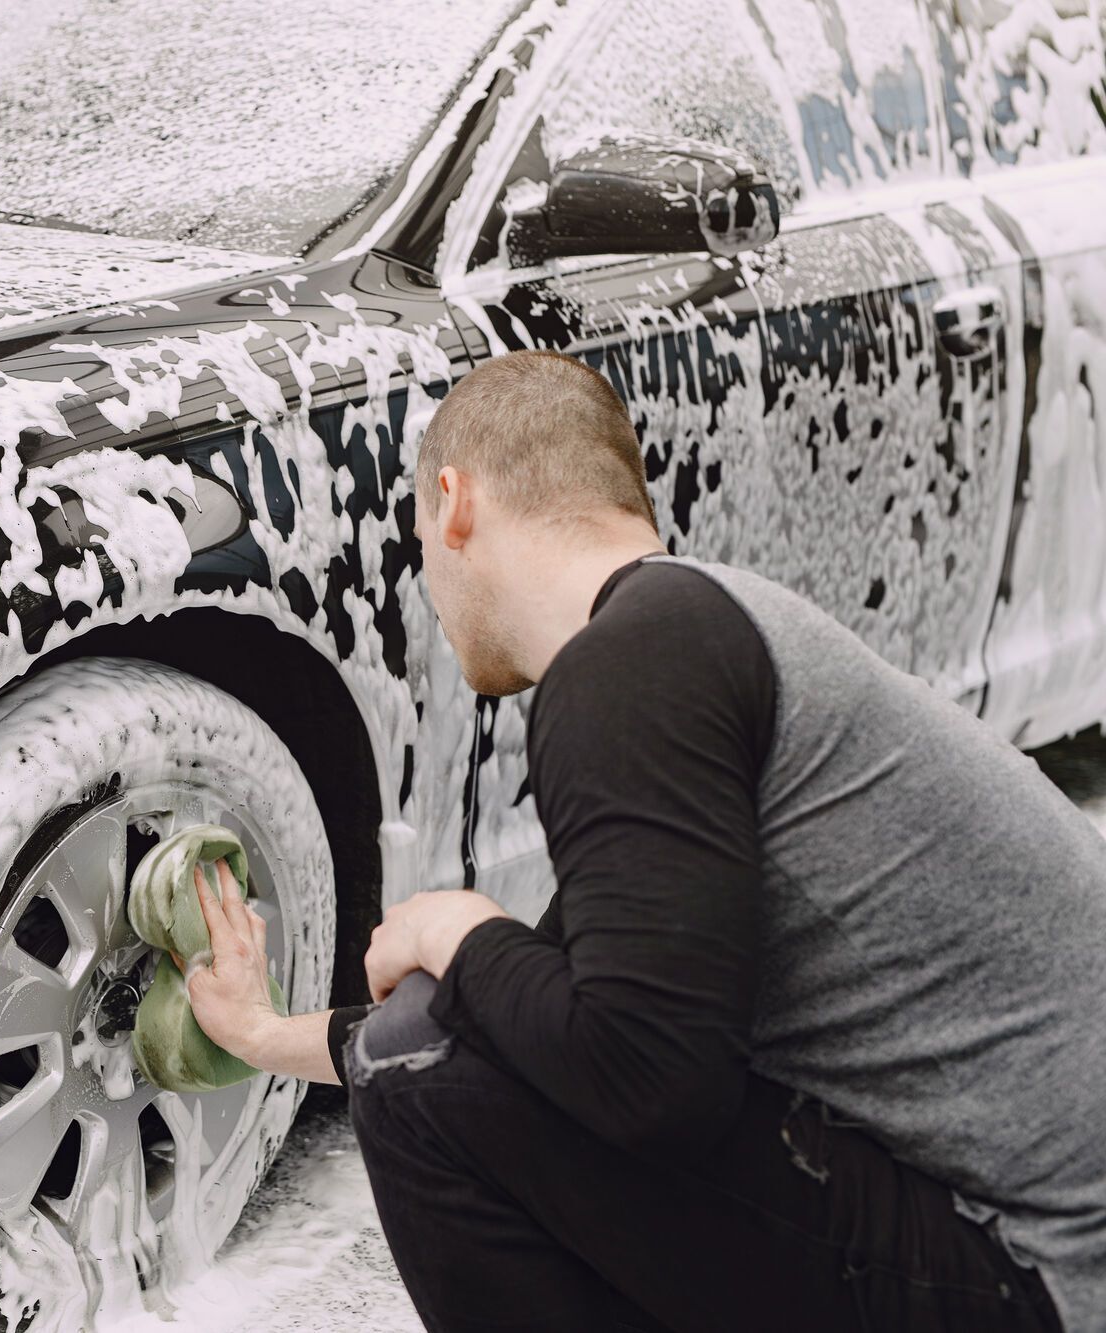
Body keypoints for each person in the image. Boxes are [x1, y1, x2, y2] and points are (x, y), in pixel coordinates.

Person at [181, 350, 1106, 1333]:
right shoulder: (687, 633)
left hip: (1037, 1272)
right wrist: (259, 1034)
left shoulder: (627, 666)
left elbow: (645, 1081)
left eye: (419, 551)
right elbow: (529, 1025)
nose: (431, 592)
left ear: (453, 503)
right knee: (446, 1035)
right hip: (1034, 1242)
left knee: (420, 1065)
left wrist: (462, 931)